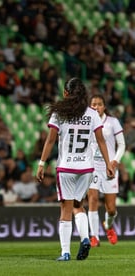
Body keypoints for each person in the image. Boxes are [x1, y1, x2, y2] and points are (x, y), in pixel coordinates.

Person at [36, 77, 115, 262]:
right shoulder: (92, 114)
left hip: (66, 168)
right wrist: (108, 163)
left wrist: (41, 163)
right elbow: (101, 141)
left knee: (65, 209)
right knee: (79, 206)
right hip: (87, 168)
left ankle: (65, 252)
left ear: (65, 93)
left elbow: (50, 141)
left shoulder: (59, 114)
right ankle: (86, 238)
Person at [87, 94, 125, 247]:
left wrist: (115, 161)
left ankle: (108, 226)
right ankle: (94, 236)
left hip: (109, 168)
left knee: (111, 209)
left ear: (104, 107)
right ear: (90, 106)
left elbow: (121, 145)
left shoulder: (112, 122)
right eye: (93, 104)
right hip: (93, 167)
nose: (96, 107)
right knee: (93, 199)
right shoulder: (87, 122)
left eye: (99, 104)